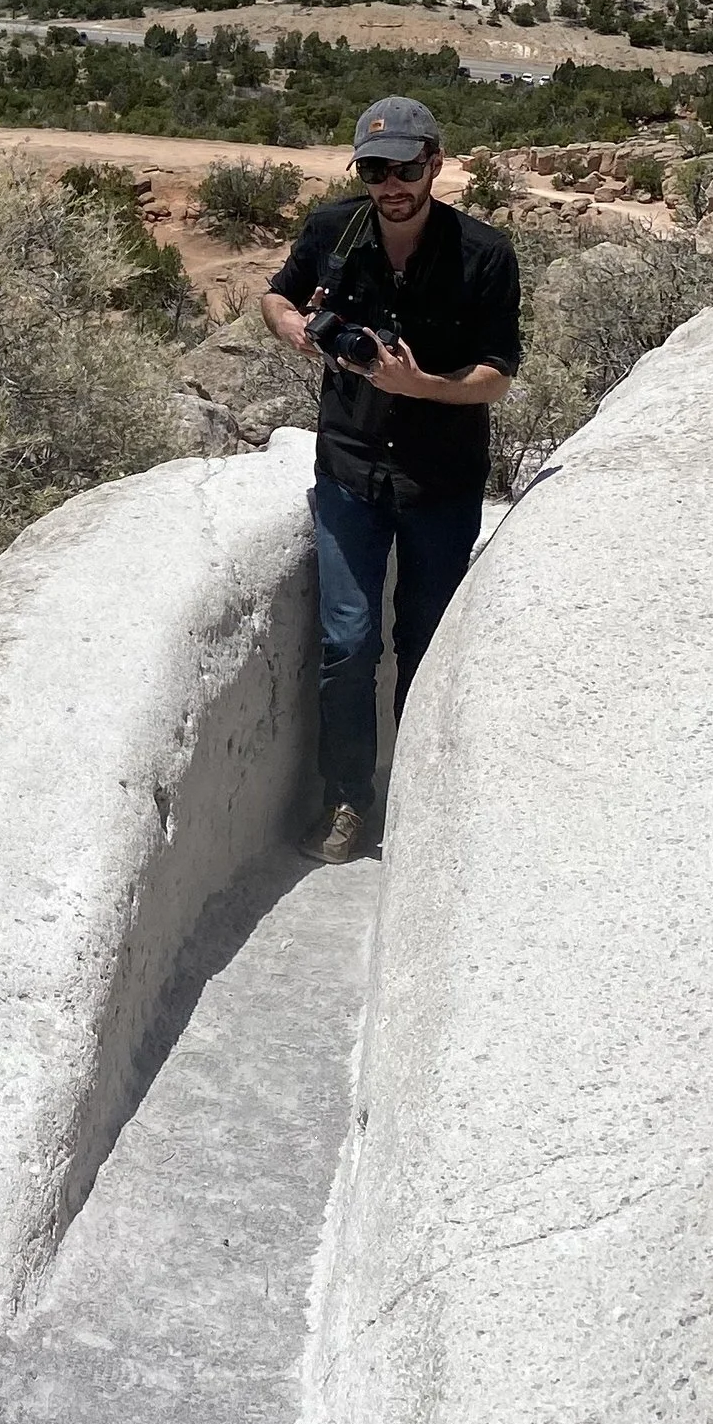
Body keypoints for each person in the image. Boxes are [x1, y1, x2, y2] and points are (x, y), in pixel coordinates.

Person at [260, 96, 522, 863]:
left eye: (406, 167)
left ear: (436, 163)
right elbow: (276, 294)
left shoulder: (483, 253)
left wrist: (423, 388)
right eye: (376, 169)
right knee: (348, 641)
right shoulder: (332, 231)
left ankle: (417, 801)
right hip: (348, 469)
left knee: (425, 642)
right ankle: (346, 799)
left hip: (439, 478)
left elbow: (497, 375)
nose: (391, 184)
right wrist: (296, 330)